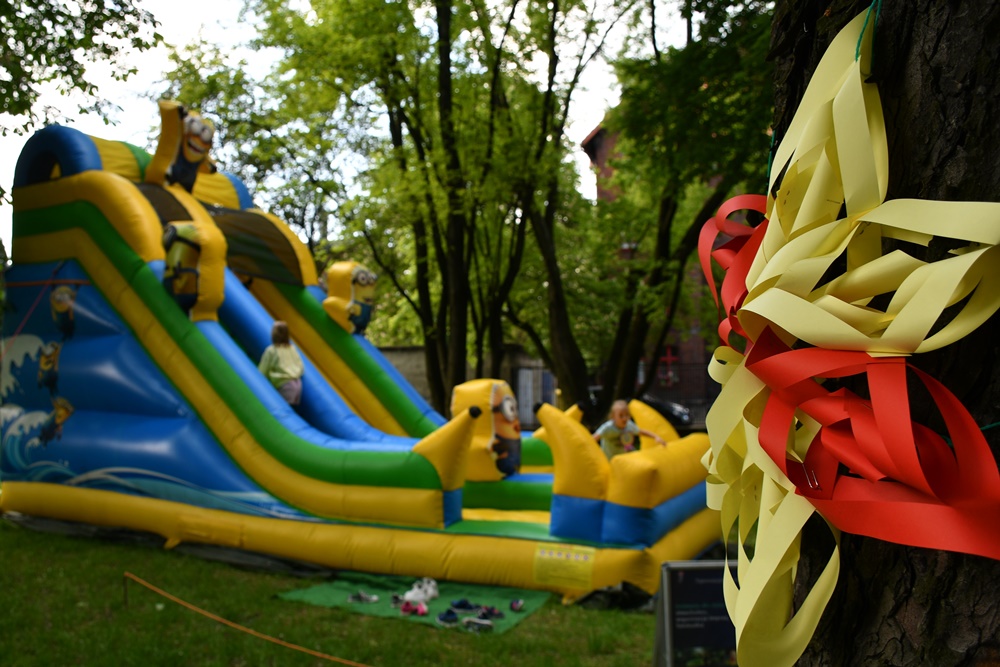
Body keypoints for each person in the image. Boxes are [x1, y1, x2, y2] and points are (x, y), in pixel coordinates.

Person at [593, 399, 665, 459]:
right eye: (621, 415)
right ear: (613, 417)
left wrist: (656, 436)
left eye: (626, 415)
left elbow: (641, 432)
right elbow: (594, 438)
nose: (624, 418)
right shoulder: (607, 428)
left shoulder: (629, 425)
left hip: (623, 459)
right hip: (609, 459)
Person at [258, 321, 305, 406]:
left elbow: (262, 372)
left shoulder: (271, 350)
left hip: (285, 385)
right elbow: (301, 367)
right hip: (298, 385)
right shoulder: (292, 349)